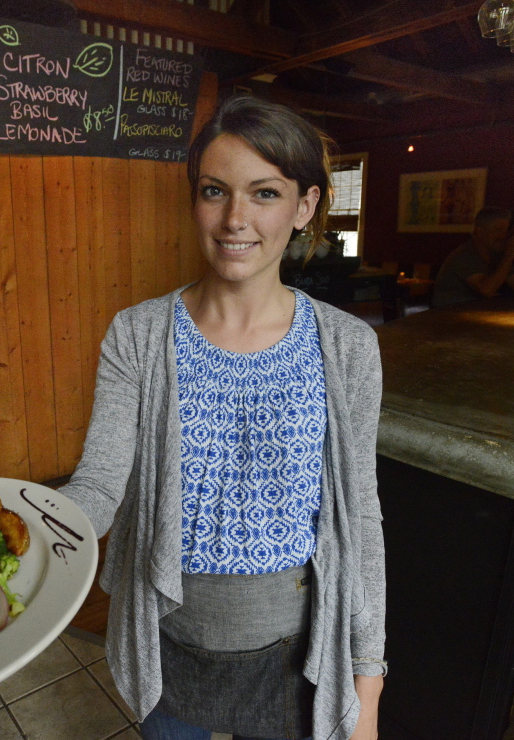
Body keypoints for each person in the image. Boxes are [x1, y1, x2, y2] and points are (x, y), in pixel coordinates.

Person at [61, 95, 385, 740]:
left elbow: (360, 516)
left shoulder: (347, 345)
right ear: (195, 200)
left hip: (298, 655)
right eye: (215, 191)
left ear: (305, 207)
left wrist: (367, 684)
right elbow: (99, 484)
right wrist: (26, 539)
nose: (235, 219)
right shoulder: (138, 334)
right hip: (169, 642)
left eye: (265, 193)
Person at [431, 207, 514, 307]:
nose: (504, 236)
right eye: (498, 230)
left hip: (474, 315)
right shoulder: (464, 255)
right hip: (446, 317)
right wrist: (510, 255)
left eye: (506, 230)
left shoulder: (497, 255)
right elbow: (486, 289)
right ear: (479, 231)